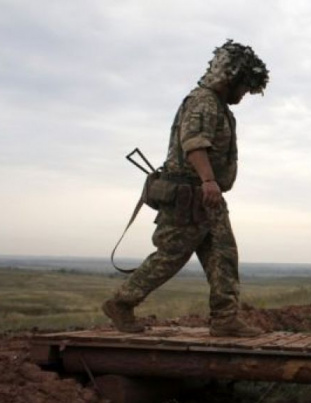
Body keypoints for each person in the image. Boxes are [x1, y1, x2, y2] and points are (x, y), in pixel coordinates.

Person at [102, 40, 269, 337]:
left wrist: (210, 186)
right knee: (171, 256)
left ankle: (225, 318)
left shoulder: (218, 106)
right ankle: (121, 303)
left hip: (207, 197)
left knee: (223, 255)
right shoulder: (203, 101)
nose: (243, 94)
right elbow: (193, 144)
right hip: (191, 196)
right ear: (229, 78)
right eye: (243, 87)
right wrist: (207, 180)